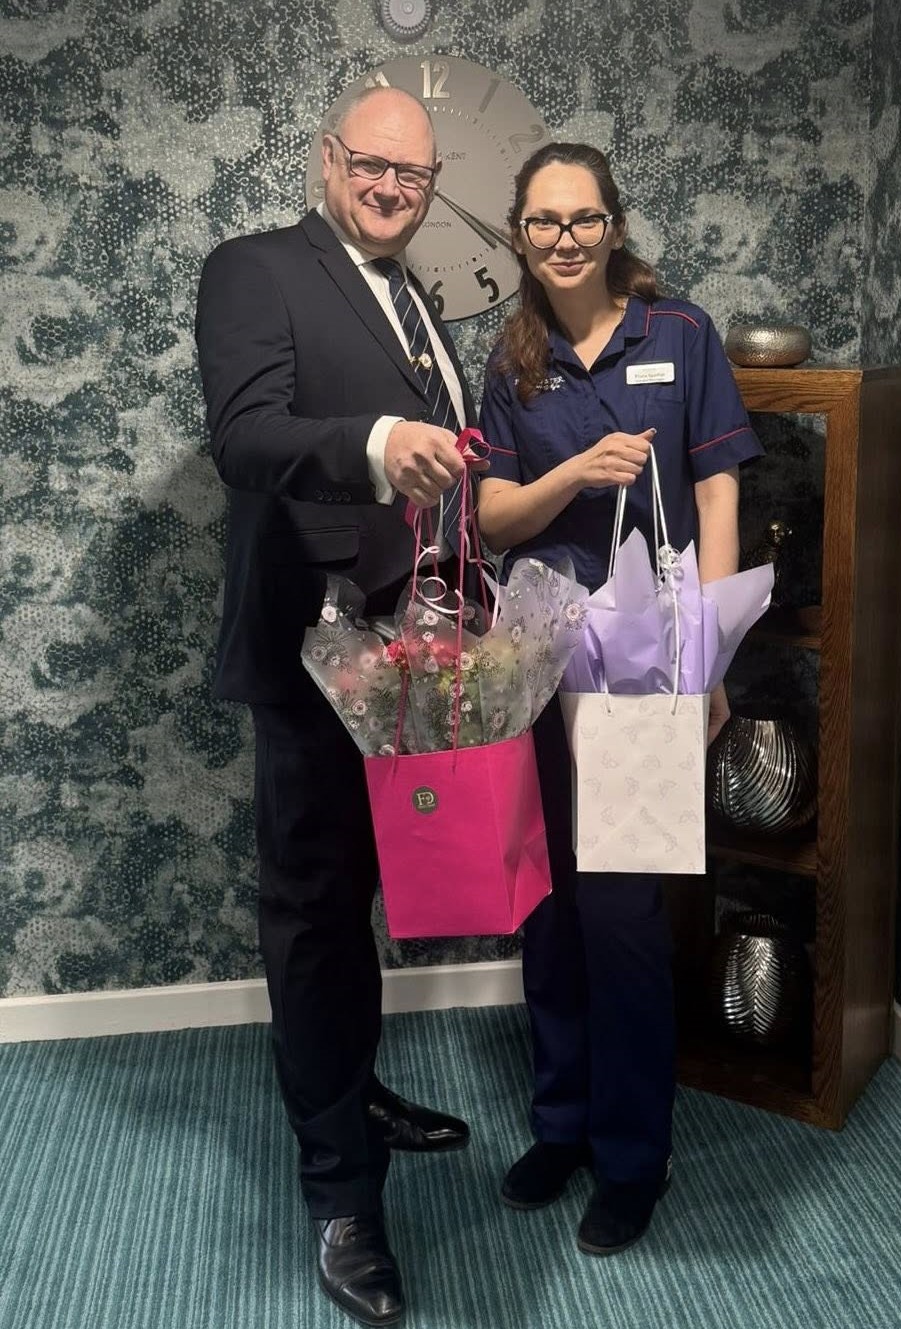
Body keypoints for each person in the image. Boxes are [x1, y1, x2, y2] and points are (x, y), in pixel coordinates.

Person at [195, 86, 479, 1326]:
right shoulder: (256, 269)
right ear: (325, 158)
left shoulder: (419, 300)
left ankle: (350, 1090)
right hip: (314, 655)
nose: (388, 188)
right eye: (370, 164)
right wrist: (374, 442)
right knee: (313, 916)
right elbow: (246, 436)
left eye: (412, 175)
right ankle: (340, 1197)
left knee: (364, 895)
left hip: (406, 653)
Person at [476, 142, 763, 1256]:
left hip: (646, 669)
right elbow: (494, 518)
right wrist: (574, 473)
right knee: (548, 907)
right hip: (540, 662)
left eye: (584, 218)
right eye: (544, 221)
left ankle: (634, 1155)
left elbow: (718, 490)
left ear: (613, 225)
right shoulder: (510, 358)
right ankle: (561, 1125)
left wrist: (710, 659)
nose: (565, 238)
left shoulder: (678, 334)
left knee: (625, 918)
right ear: (519, 233)